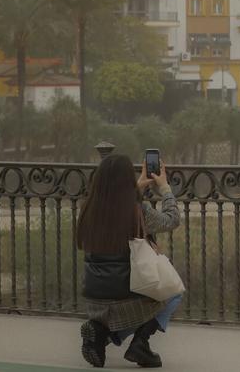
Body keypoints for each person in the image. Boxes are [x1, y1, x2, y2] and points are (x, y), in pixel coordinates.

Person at [75, 154, 181, 368]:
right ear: (128, 181)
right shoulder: (138, 210)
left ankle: (100, 333)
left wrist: (140, 184)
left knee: (126, 309)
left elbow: (118, 206)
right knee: (174, 291)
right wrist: (165, 188)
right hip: (125, 299)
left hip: (95, 302)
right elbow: (172, 219)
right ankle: (139, 343)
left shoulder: (87, 209)